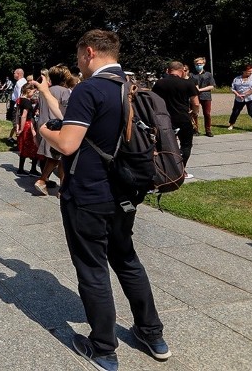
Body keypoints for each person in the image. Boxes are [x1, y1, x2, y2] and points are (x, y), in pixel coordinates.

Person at [39, 30, 169, 370]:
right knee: (126, 260)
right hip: (125, 192)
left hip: (88, 194)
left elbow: (67, 144)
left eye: (79, 57)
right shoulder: (132, 86)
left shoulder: (89, 89)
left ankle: (103, 348)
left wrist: (44, 130)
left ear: (89, 53)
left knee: (92, 268)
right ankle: (152, 334)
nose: (78, 64)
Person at [31, 65, 73, 195]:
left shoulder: (46, 90)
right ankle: (50, 182)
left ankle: (58, 185)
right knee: (60, 158)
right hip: (57, 128)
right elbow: (66, 111)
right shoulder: (64, 91)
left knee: (56, 159)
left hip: (45, 126)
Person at [152, 61, 200, 175]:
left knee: (163, 144)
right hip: (183, 118)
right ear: (182, 71)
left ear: (168, 71)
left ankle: (165, 170)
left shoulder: (159, 83)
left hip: (165, 119)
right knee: (186, 145)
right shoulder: (188, 83)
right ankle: (181, 170)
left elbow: (153, 100)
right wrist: (194, 112)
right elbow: (196, 102)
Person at [227, 64, 252, 132]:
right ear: (243, 71)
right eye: (249, 71)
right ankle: (231, 124)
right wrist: (237, 94)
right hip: (238, 98)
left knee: (251, 112)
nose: (251, 73)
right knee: (235, 112)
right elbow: (233, 88)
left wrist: (243, 94)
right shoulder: (237, 78)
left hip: (251, 98)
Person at [15, 84, 39, 178]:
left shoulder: (20, 100)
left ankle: (21, 168)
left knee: (24, 146)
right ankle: (32, 169)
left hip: (24, 125)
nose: (34, 93)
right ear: (28, 90)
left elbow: (17, 114)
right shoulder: (27, 102)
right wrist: (21, 129)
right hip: (28, 125)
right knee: (33, 146)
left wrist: (17, 126)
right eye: (33, 91)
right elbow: (24, 115)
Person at [7, 68, 27, 144]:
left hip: (17, 106)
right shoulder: (24, 81)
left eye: (14, 73)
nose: (13, 74)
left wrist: (18, 106)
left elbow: (19, 96)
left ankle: (19, 142)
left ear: (18, 74)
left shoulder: (19, 83)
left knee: (16, 123)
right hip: (19, 105)